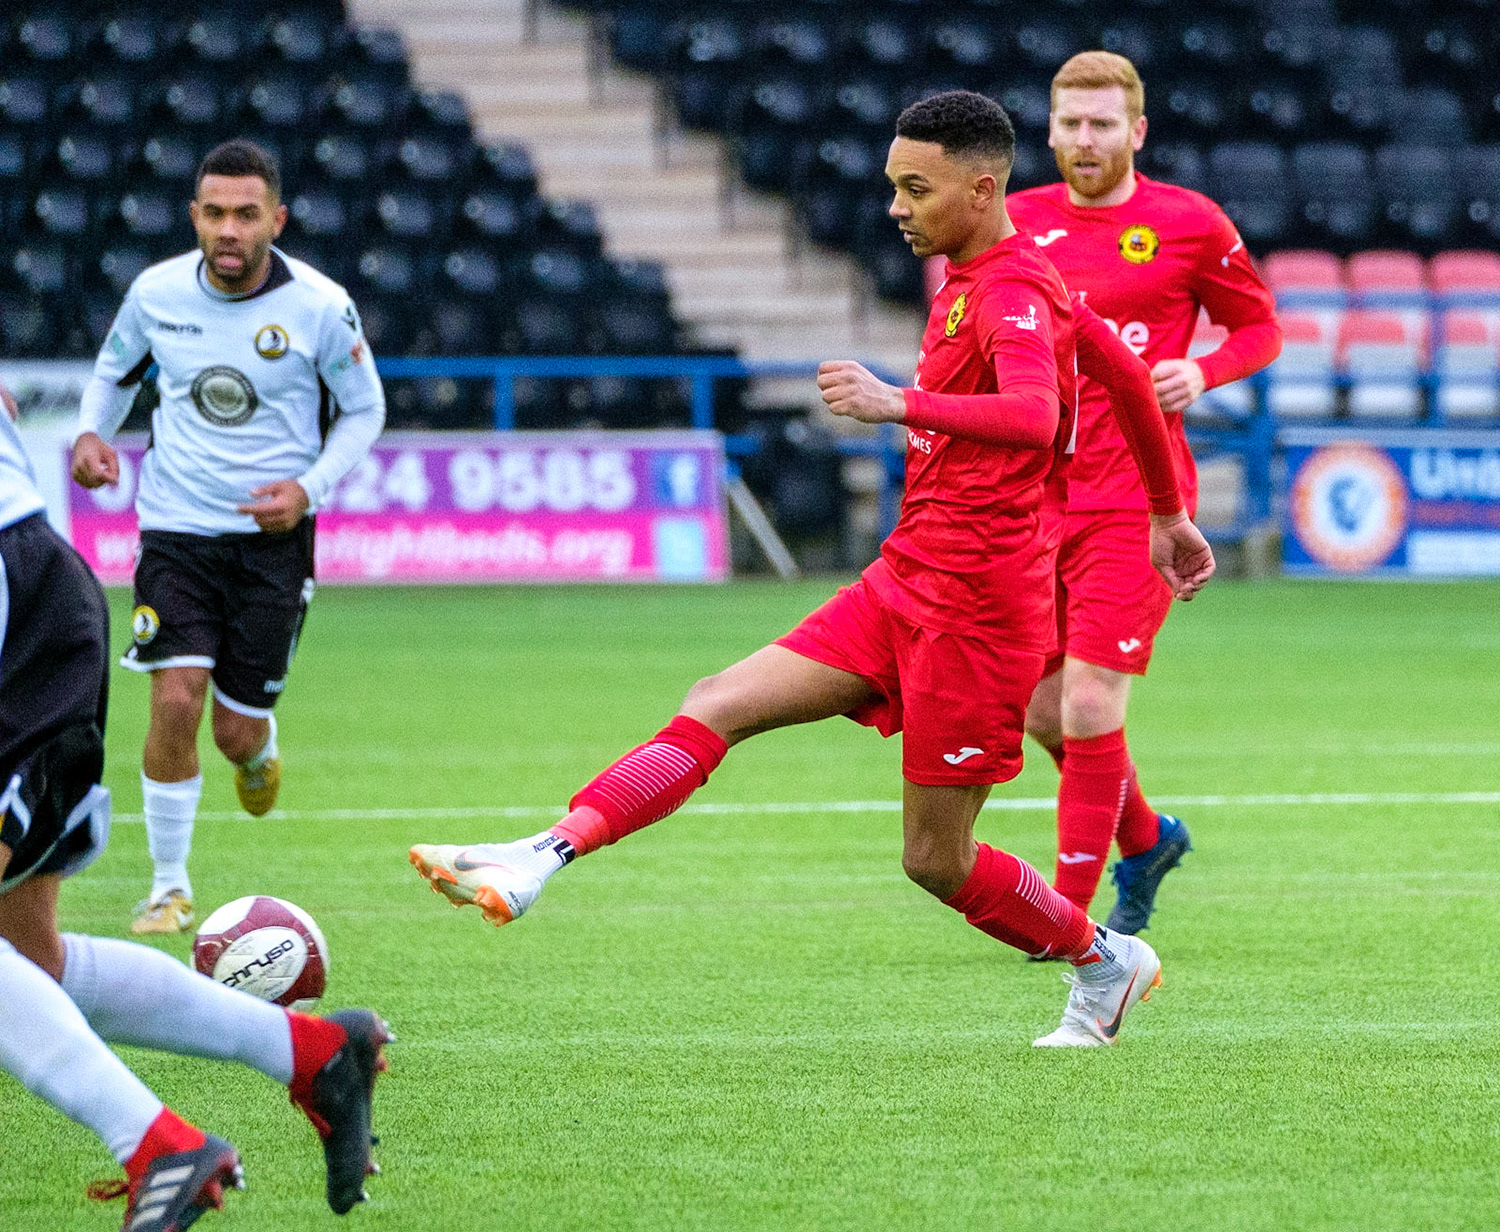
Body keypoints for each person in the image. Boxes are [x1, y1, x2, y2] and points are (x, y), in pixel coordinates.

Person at [408, 91, 1213, 1048]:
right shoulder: (990, 275)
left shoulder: (1008, 292)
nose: (897, 207)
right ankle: (540, 854)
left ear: (982, 186)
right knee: (718, 700)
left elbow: (1038, 419)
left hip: (980, 618)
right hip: (905, 580)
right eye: (893, 187)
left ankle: (1103, 960)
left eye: (916, 188)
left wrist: (894, 402)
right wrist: (1170, 513)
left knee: (936, 863)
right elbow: (1123, 377)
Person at [0, 378, 391, 1232]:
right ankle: (313, 1051)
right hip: (31, 580)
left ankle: (159, 1146)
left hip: (12, 595)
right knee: (26, 957)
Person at [69, 138, 386, 935]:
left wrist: (308, 489)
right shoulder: (156, 293)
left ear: (276, 219)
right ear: (194, 217)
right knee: (174, 698)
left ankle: (255, 747)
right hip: (175, 530)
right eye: (214, 213)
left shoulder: (318, 306)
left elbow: (364, 409)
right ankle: (169, 887)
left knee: (233, 727)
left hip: (272, 543)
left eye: (247, 214)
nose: (229, 230)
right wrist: (90, 435)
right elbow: (113, 371)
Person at [1008, 52, 1282, 934]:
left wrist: (1202, 371)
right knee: (1040, 708)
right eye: (1071, 124)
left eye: (1103, 124)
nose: (1085, 141)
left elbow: (1260, 324)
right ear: (1049, 130)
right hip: (1034, 495)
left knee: (1090, 702)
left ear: (1138, 131)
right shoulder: (1011, 224)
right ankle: (1146, 837)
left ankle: (1068, 921)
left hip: (1136, 494)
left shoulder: (1189, 223)